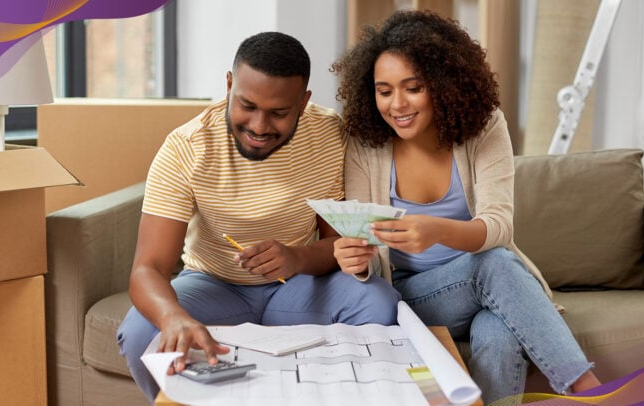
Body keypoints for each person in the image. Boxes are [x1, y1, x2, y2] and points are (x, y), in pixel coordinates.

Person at [331, 10, 601, 405]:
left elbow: (498, 226)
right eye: (384, 91)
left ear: (442, 84)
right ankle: (591, 391)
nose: (397, 104)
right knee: (490, 264)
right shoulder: (365, 144)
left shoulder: (484, 127)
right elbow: (363, 244)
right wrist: (352, 258)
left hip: (487, 285)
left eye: (413, 87)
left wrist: (437, 230)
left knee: (498, 333)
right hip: (412, 296)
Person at [117, 31, 401, 402]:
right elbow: (148, 268)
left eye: (278, 113)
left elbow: (338, 244)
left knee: (380, 302)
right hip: (212, 285)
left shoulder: (330, 135)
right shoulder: (186, 147)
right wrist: (173, 316)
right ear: (230, 84)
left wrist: (295, 257)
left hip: (299, 286)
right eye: (247, 105)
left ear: (303, 102)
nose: (259, 126)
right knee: (141, 331)